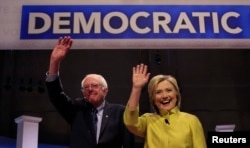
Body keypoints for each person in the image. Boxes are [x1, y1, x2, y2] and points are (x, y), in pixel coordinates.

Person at [45, 36, 135, 148]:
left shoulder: (119, 112)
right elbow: (56, 96)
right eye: (86, 87)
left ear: (105, 90)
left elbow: (129, 143)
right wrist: (55, 62)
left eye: (94, 86)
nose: (90, 89)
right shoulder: (76, 110)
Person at [123, 63, 207, 148]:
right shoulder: (148, 121)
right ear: (153, 98)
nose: (164, 96)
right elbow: (130, 122)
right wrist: (136, 88)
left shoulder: (191, 121)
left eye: (168, 90)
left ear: (176, 94)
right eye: (158, 92)